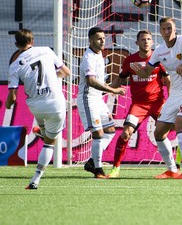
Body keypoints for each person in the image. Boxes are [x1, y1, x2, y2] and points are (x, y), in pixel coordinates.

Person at [132, 17, 182, 179]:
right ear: (160, 32)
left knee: (181, 125)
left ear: (175, 30)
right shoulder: (159, 50)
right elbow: (147, 71)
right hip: (175, 95)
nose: (167, 32)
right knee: (158, 132)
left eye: (170, 28)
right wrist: (139, 70)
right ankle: (172, 170)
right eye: (164, 29)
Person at [6, 29, 71, 189]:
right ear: (32, 41)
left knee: (45, 124)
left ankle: (42, 129)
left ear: (16, 45)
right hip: (56, 103)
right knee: (49, 143)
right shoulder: (46, 51)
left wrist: (8, 105)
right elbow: (66, 72)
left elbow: (12, 97)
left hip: (36, 107)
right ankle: (35, 179)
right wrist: (51, 75)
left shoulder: (14, 65)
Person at [107, 30, 169, 178]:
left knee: (175, 130)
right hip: (139, 106)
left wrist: (173, 99)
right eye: (143, 39)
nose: (146, 42)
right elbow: (120, 78)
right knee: (126, 133)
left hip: (158, 104)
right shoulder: (130, 61)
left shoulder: (159, 58)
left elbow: (168, 81)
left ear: (152, 42)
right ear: (137, 43)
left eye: (148, 39)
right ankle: (115, 168)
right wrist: (108, 89)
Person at [77, 27, 126, 179]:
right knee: (98, 133)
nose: (102, 41)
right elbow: (91, 81)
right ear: (90, 40)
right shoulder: (88, 58)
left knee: (110, 130)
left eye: (104, 38)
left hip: (98, 99)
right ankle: (98, 169)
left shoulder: (99, 54)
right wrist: (113, 90)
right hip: (88, 98)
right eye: (99, 38)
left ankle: (92, 160)